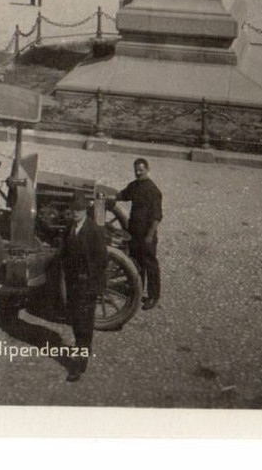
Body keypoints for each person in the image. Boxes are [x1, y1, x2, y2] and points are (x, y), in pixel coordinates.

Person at [61, 190, 107, 382]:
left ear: (86, 211)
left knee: (84, 325)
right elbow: (64, 253)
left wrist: (94, 287)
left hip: (87, 285)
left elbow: (102, 261)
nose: (76, 213)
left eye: (79, 210)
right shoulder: (70, 229)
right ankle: (81, 352)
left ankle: (79, 365)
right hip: (73, 285)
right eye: (74, 210)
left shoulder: (94, 231)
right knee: (75, 321)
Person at [115, 158, 163, 310]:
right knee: (136, 262)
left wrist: (149, 236)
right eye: (136, 170)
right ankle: (137, 289)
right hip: (134, 232)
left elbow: (156, 217)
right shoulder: (135, 185)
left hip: (146, 234)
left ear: (147, 169)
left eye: (141, 170)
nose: (138, 172)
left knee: (150, 265)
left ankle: (153, 296)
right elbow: (122, 195)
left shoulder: (153, 191)